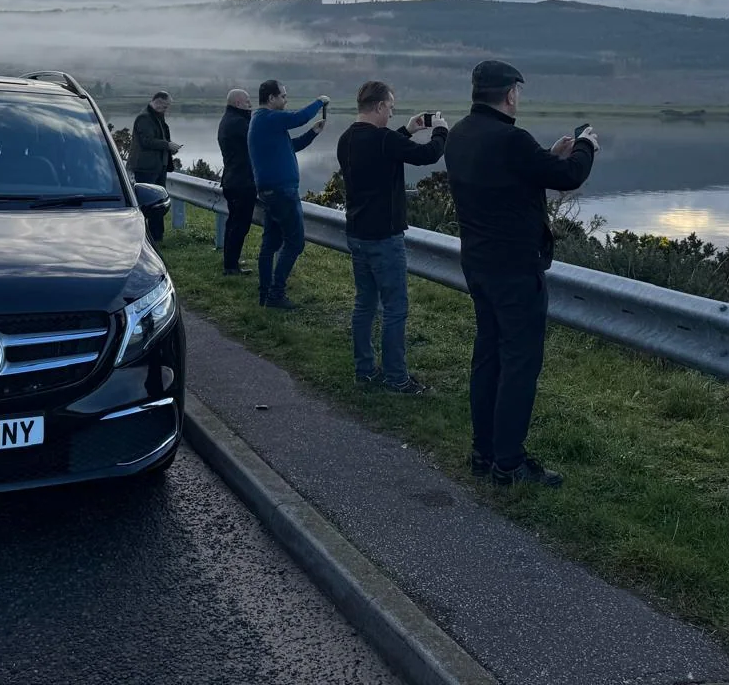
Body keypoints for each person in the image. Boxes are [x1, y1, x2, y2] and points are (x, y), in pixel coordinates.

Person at [445, 60, 598, 488]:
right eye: (519, 93)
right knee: (519, 364)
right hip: (515, 269)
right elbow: (568, 177)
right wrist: (587, 146)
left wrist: (546, 158)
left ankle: (483, 453)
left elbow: (510, 178)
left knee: (488, 356)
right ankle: (508, 465)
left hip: (477, 262)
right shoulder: (511, 139)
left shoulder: (459, 134)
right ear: (511, 94)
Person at [336, 81, 448, 394]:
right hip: (384, 237)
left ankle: (365, 370)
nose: (392, 112)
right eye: (392, 108)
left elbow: (381, 152)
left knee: (365, 304)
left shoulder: (346, 139)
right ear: (381, 106)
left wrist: (406, 130)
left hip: (357, 233)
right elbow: (428, 156)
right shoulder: (383, 139)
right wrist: (440, 130)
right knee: (395, 308)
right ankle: (397, 377)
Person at [247, 79, 328, 309]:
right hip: (282, 192)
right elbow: (298, 118)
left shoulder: (263, 123)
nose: (285, 100)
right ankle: (275, 294)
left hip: (270, 191)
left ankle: (265, 294)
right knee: (295, 242)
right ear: (271, 98)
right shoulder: (269, 118)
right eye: (283, 96)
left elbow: (291, 147)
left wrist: (313, 133)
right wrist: (319, 102)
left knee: (270, 243)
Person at [129, 90, 182, 243]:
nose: (166, 109)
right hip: (146, 167)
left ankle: (157, 236)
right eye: (165, 106)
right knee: (148, 204)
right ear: (157, 101)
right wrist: (167, 145)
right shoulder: (144, 118)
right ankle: (148, 236)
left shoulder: (157, 116)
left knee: (158, 203)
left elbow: (160, 137)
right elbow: (147, 141)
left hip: (158, 166)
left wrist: (169, 147)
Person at [216, 88, 256, 276]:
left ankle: (231, 263)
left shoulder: (229, 120)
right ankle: (231, 266)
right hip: (241, 182)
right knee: (239, 225)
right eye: (247, 101)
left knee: (234, 223)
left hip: (233, 180)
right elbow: (256, 140)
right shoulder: (239, 123)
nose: (251, 103)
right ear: (238, 103)